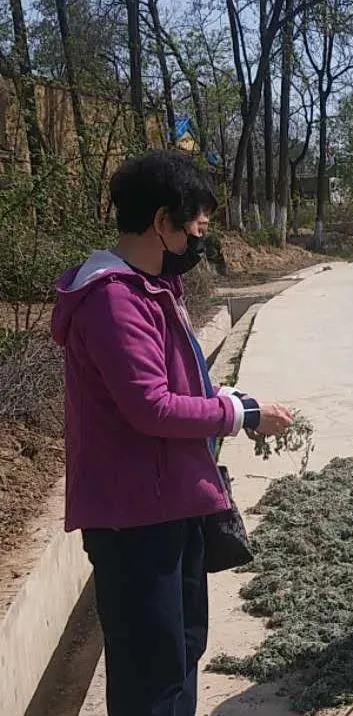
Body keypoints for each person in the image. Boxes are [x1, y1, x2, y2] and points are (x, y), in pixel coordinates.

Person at [51, 151, 294, 716]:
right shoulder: (113, 300)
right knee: (150, 672)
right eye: (195, 228)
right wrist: (241, 417)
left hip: (171, 500)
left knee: (182, 650)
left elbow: (175, 381)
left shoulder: (151, 286)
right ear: (162, 221)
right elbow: (150, 408)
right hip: (135, 516)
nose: (198, 242)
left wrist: (225, 399)